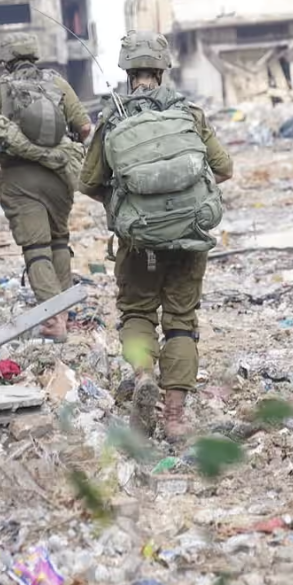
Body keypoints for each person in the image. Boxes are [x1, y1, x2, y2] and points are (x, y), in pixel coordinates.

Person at [79, 30, 233, 441]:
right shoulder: (189, 114)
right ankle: (177, 417)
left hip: (137, 242)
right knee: (181, 323)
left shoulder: (113, 119)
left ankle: (144, 375)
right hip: (189, 236)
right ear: (163, 69)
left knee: (138, 314)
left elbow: (89, 182)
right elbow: (223, 169)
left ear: (127, 71)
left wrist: (130, 205)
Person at [0, 32, 92, 341]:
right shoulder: (58, 84)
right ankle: (63, 310)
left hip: (19, 179)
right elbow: (85, 128)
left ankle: (54, 320)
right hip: (60, 177)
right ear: (35, 55)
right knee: (59, 241)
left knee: (37, 249)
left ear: (5, 61)